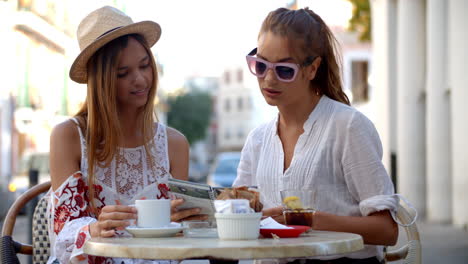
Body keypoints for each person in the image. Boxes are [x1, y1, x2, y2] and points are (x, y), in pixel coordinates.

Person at [233, 7, 401, 264]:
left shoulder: (347, 126)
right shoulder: (257, 139)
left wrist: (309, 220)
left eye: (285, 70)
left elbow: (387, 231)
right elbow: (239, 213)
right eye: (261, 64)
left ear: (312, 69)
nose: (268, 79)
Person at [47, 6, 205, 264]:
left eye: (145, 66)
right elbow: (65, 234)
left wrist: (186, 222)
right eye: (123, 73)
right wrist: (94, 230)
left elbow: (182, 236)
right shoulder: (68, 136)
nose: (141, 80)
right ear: (101, 81)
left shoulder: (175, 144)